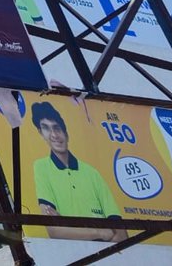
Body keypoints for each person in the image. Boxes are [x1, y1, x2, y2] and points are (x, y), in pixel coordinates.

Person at [30, 102, 128, 241]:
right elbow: (54, 231)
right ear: (41, 133)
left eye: (57, 128)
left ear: (66, 133)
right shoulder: (41, 167)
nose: (54, 135)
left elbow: (121, 235)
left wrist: (67, 226)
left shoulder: (92, 173)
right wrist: (99, 233)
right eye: (46, 128)